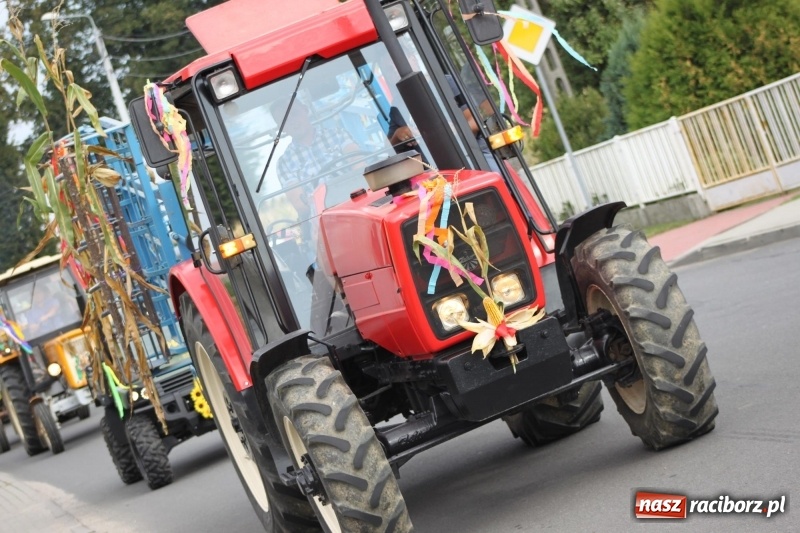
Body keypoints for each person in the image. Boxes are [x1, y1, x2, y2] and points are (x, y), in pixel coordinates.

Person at [269, 99, 360, 219]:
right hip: (323, 217)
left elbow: (359, 164)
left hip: (355, 201)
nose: (292, 121)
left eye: (294, 113)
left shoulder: (338, 134)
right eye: (284, 120)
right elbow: (300, 204)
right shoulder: (284, 163)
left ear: (306, 110)